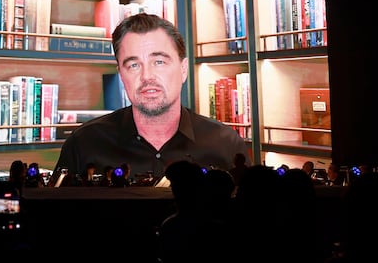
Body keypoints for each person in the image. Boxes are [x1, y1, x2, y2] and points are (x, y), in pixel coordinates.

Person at [53, 13, 251, 182]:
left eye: (159, 62)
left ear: (183, 70)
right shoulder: (83, 144)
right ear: (121, 75)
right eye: (134, 65)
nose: (147, 76)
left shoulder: (226, 145)